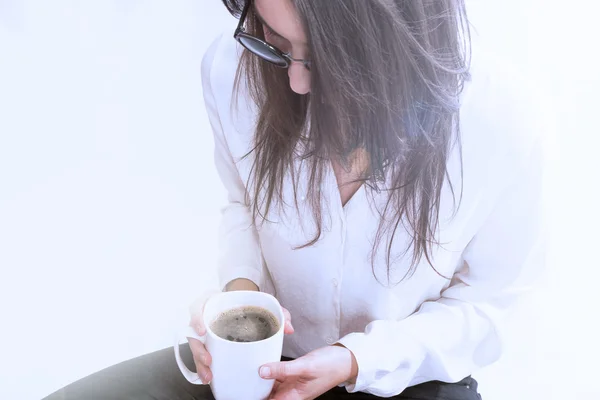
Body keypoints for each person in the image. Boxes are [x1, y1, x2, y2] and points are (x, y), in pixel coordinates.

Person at [45, 0, 546, 399]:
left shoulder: (498, 121)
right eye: (278, 42)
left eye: (326, 59)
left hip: (412, 376)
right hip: (266, 364)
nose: (298, 81)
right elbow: (243, 203)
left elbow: (487, 308)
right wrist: (238, 302)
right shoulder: (232, 67)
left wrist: (355, 360)